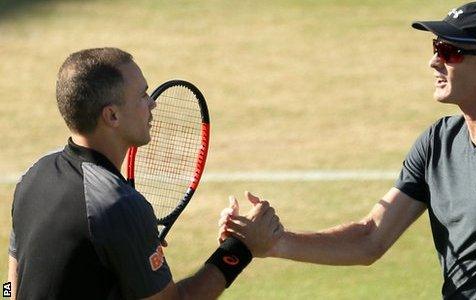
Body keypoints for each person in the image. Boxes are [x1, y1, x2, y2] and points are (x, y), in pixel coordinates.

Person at [220, 1, 476, 299]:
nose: (434, 61)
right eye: (436, 46)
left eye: (452, 52)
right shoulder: (437, 143)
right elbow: (369, 238)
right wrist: (276, 242)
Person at [8, 47, 283, 299]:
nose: (152, 104)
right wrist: (239, 249)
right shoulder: (117, 206)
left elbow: (10, 285)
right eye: (142, 96)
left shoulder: (32, 176)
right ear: (112, 116)